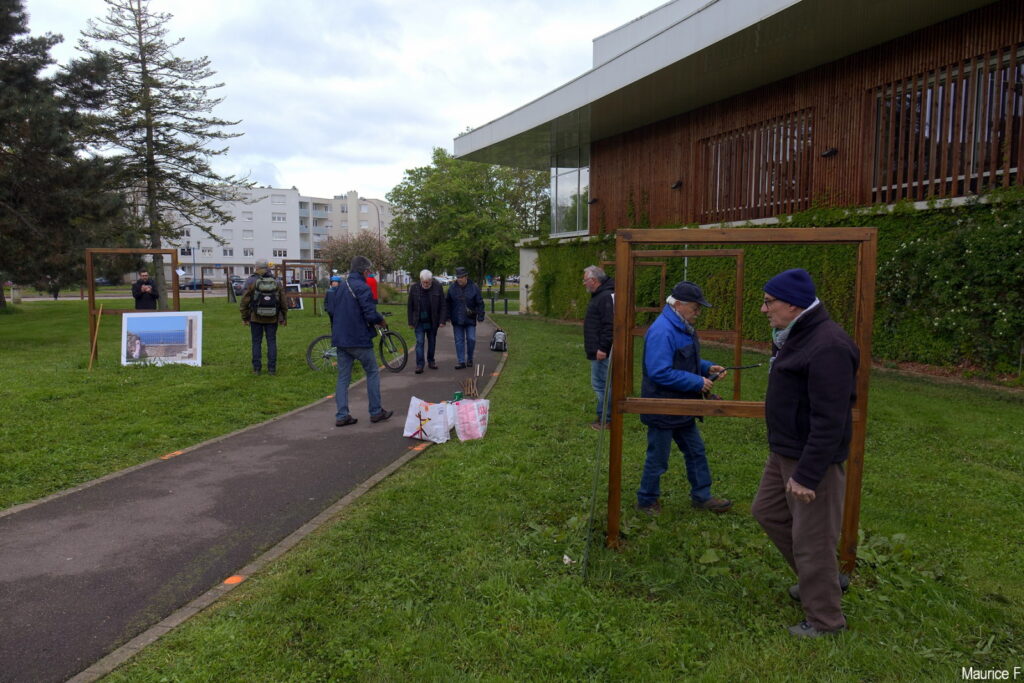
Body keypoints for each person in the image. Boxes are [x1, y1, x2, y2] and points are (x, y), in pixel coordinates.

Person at [751, 268, 859, 638]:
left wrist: (809, 474)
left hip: (812, 460)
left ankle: (826, 621)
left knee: (812, 540)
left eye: (769, 302)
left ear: (794, 304)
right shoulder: (794, 335)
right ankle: (821, 582)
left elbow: (830, 419)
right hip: (785, 451)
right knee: (766, 512)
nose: (764, 310)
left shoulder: (827, 345)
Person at [636, 281, 732, 515]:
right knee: (658, 459)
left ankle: (702, 496)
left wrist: (707, 369)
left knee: (695, 451)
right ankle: (647, 500)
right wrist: (697, 382)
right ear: (678, 304)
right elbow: (659, 371)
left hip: (682, 406)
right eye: (695, 308)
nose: (698, 313)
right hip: (662, 406)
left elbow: (683, 360)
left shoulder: (680, 325)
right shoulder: (663, 331)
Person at [324, 255, 393, 427]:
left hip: (341, 338)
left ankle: (342, 415)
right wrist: (380, 320)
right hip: (358, 338)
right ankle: (376, 411)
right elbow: (369, 312)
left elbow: (331, 309)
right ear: (364, 270)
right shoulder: (362, 287)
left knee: (343, 378)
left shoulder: (340, 286)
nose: (369, 273)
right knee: (372, 372)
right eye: (368, 270)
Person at [240, 259, 287, 375]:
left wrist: (245, 317)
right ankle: (272, 369)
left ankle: (256, 369)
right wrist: (283, 317)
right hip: (272, 317)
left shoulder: (251, 280)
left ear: (256, 267)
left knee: (256, 342)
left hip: (255, 317)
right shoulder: (276, 281)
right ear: (267, 267)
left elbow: (245, 300)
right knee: (271, 342)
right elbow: (283, 301)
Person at [582, 265, 615, 430]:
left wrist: (603, 348)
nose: (584, 283)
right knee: (601, 384)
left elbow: (610, 325)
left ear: (594, 281)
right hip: (597, 349)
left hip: (601, 351)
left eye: (585, 280)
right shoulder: (601, 295)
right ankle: (605, 416)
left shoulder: (605, 297)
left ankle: (606, 418)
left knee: (602, 385)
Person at [406, 269, 448, 374]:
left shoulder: (437, 287)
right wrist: (410, 321)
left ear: (431, 280)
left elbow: (443, 305)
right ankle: (420, 365)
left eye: (427, 282)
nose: (425, 284)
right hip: (419, 320)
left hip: (433, 320)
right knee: (420, 342)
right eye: (424, 282)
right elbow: (410, 306)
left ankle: (431, 361)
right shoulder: (414, 288)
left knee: (432, 341)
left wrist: (442, 320)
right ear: (420, 280)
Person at [446, 266, 484, 369]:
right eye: (458, 277)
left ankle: (470, 358)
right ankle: (461, 361)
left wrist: (480, 315)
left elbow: (480, 302)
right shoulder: (452, 288)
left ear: (466, 277)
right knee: (459, 340)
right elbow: (447, 303)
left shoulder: (474, 287)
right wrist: (447, 316)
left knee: (471, 339)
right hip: (457, 318)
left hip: (470, 318)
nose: (459, 279)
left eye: (461, 277)